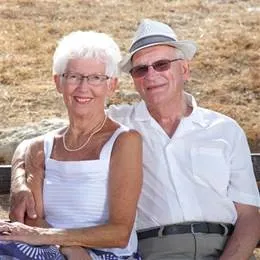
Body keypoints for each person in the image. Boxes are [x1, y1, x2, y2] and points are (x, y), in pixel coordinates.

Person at [7, 18, 260, 260]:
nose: (151, 75)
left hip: (227, 247)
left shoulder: (224, 129)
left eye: (161, 65)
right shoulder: (118, 126)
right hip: (158, 251)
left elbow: (250, 214)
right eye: (140, 69)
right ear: (132, 81)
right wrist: (19, 180)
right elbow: (40, 143)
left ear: (184, 69)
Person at [0, 30, 143, 260]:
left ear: (112, 85)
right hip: (50, 250)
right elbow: (32, 218)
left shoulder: (124, 141)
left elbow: (119, 233)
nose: (83, 87)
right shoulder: (41, 147)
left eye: (96, 77)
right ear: (58, 82)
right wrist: (65, 247)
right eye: (74, 76)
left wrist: (63, 244)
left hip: (105, 255)